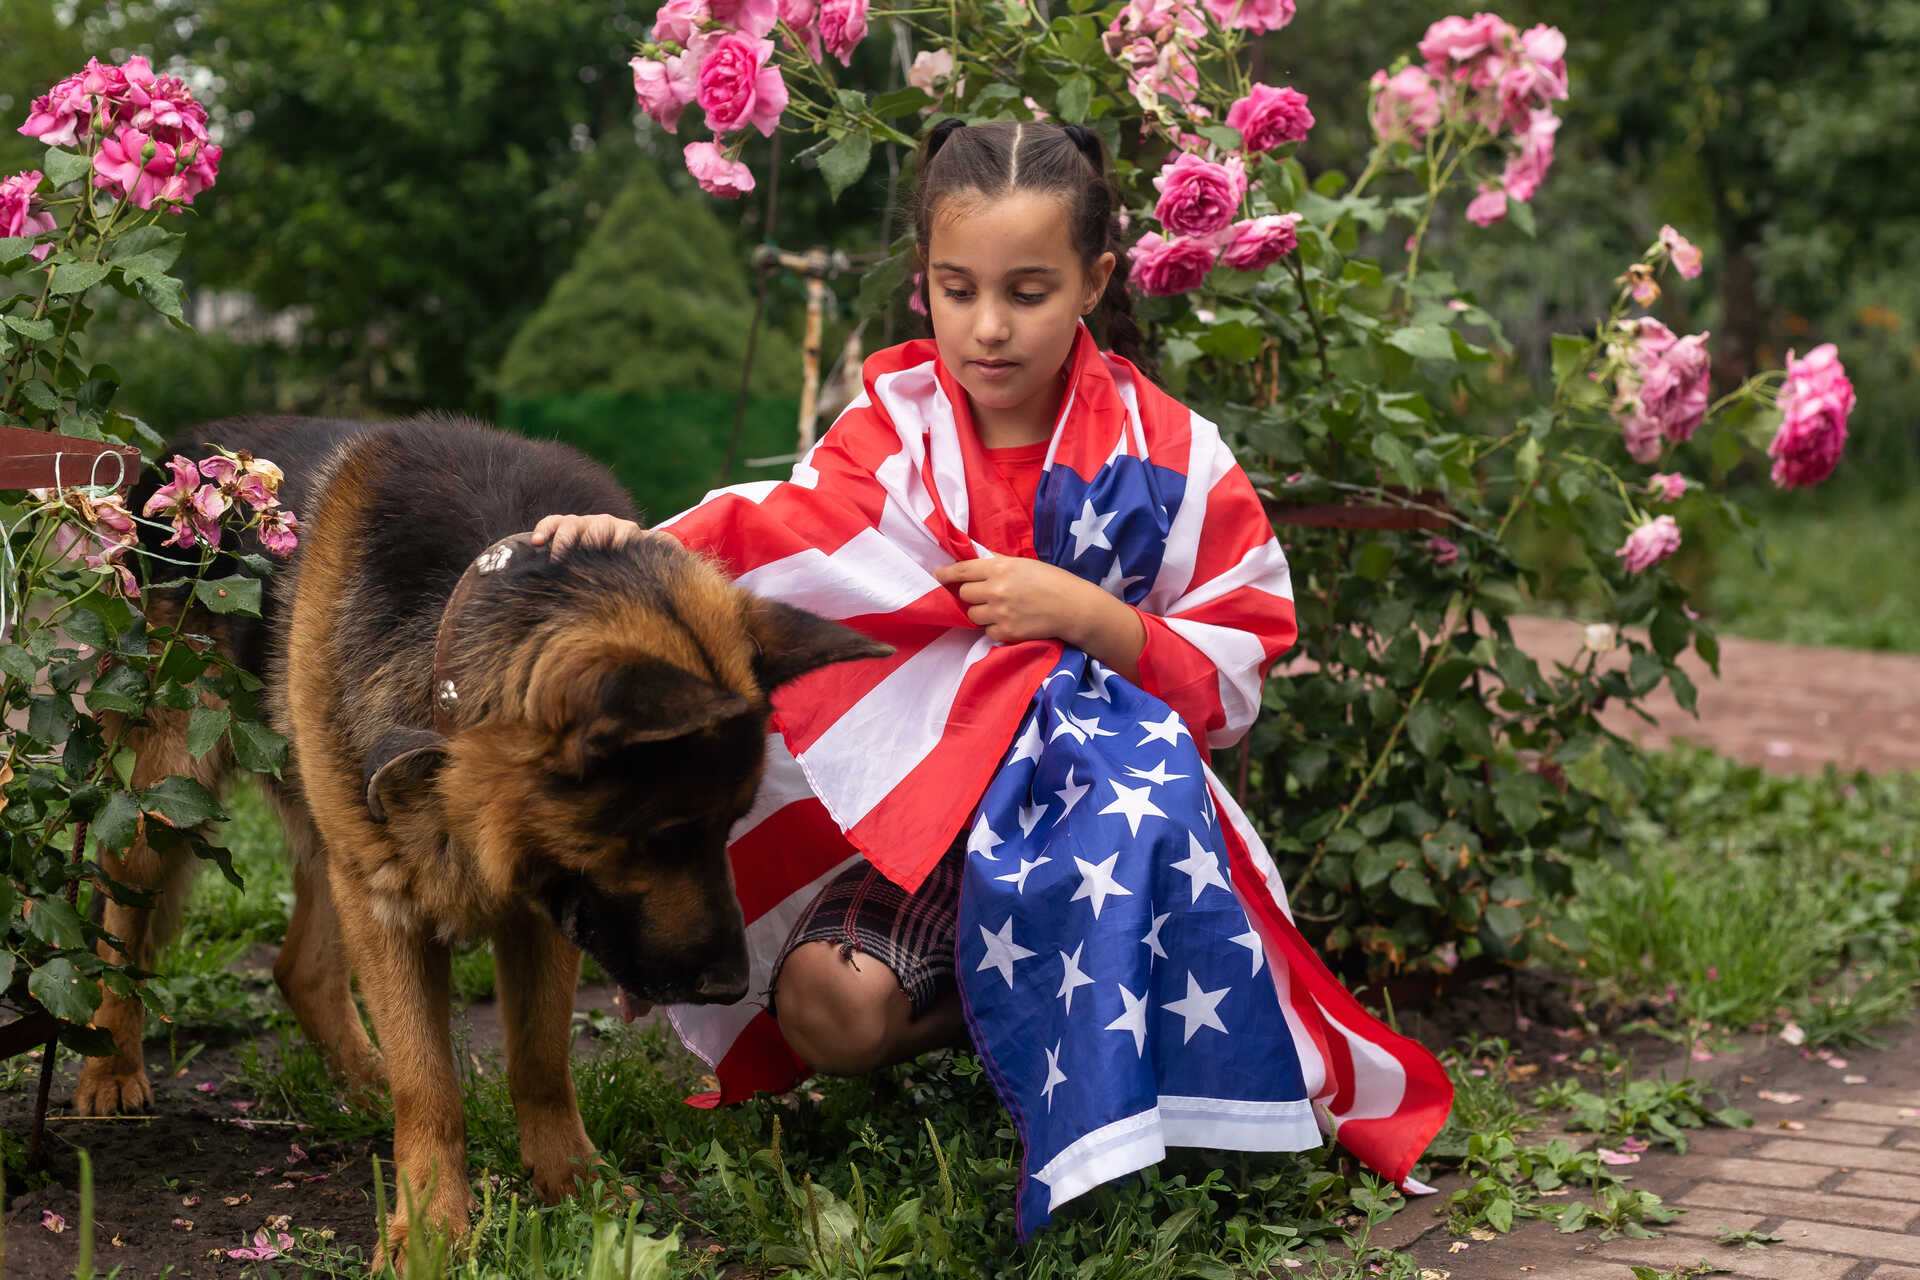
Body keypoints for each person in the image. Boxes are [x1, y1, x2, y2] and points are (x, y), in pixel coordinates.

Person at [533, 118, 1449, 1234]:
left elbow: (1237, 667)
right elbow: (775, 534)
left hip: (1102, 821)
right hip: (938, 816)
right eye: (958, 289)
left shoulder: (1170, 456)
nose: (990, 326)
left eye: (1028, 289)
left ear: (1096, 279)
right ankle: (983, 999)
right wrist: (631, 545)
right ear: (924, 282)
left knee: (1108, 920)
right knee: (831, 1007)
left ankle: (1081, 1020)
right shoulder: (893, 431)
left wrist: (1096, 618)